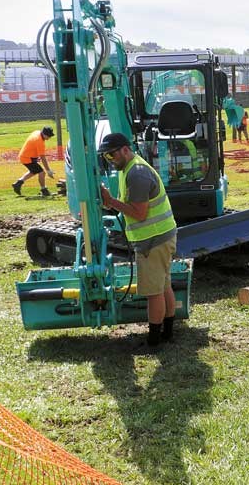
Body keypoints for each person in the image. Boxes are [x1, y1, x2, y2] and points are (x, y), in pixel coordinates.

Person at [98, 133, 178, 347]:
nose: (110, 159)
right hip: (161, 236)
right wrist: (112, 203)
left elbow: (139, 213)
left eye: (111, 154)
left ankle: (154, 341)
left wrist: (111, 201)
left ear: (125, 149)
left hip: (153, 241)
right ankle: (168, 333)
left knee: (154, 292)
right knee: (163, 285)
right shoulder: (130, 169)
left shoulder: (136, 174)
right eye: (106, 157)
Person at [12, 126, 55, 196]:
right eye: (48, 136)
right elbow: (43, 158)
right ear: (44, 134)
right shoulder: (39, 141)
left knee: (34, 171)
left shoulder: (37, 132)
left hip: (25, 156)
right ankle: (44, 190)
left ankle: (18, 183)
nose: (49, 138)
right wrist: (48, 170)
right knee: (42, 172)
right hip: (27, 158)